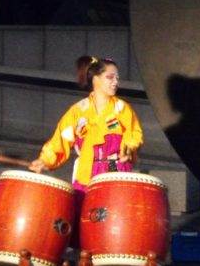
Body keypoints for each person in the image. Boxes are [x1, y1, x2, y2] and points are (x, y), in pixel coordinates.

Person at [29, 55, 143, 199]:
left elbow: (134, 134)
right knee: (84, 210)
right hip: (85, 172)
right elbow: (60, 141)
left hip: (114, 168)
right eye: (110, 77)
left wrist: (128, 149)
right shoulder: (77, 111)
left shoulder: (121, 108)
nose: (116, 82)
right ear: (95, 79)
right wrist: (45, 160)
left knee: (112, 209)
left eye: (117, 78)